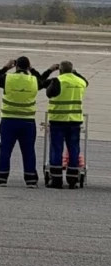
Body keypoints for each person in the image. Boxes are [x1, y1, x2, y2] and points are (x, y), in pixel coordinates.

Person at [0, 56, 44, 187]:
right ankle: (31, 180)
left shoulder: (8, 78)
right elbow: (43, 80)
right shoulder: (34, 80)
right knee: (29, 151)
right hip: (28, 122)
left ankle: (1, 178)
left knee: (5, 150)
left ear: (16, 66)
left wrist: (6, 67)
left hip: (9, 120)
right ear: (28, 67)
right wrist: (33, 70)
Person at [39, 61, 89, 189]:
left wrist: (50, 70)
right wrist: (74, 72)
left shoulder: (57, 81)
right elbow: (85, 81)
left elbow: (41, 85)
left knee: (57, 149)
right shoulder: (80, 82)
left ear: (60, 70)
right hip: (75, 121)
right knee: (74, 149)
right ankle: (73, 179)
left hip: (58, 120)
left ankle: (56, 179)